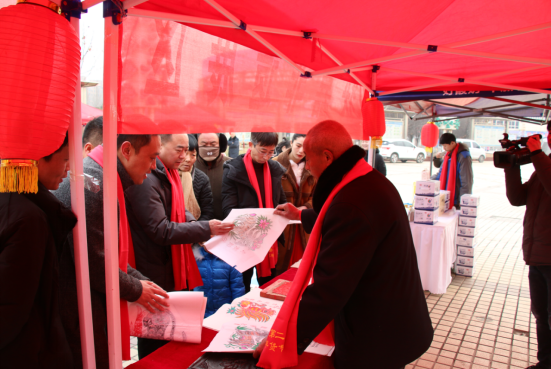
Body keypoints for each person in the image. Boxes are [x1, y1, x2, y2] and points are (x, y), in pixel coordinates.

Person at [254, 120, 433, 369]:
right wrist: (301, 214)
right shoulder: (366, 180)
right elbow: (341, 219)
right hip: (394, 318)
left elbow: (330, 287)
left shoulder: (352, 203)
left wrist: (282, 340)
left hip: (378, 335)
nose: (307, 167)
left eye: (309, 159)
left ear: (327, 157)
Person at [54, 134, 170, 369]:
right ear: (126, 150)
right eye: (151, 157)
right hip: (78, 310)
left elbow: (109, 254)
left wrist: (141, 282)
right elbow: (93, 263)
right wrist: (137, 288)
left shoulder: (99, 176)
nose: (154, 166)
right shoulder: (94, 185)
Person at [124, 134, 234, 359]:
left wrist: (194, 224)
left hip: (169, 264)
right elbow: (159, 229)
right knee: (156, 336)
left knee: (172, 336)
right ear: (160, 145)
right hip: (154, 268)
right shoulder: (145, 177)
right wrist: (204, 228)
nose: (184, 156)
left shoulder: (169, 174)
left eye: (187, 150)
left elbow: (176, 209)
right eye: (179, 150)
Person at [0, 133, 76, 368]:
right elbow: (13, 305)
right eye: (65, 160)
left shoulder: (16, 204)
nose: (67, 170)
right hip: (24, 351)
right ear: (38, 160)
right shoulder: (29, 218)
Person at [504, 124, 551, 369]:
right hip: (537, 257)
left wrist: (537, 155)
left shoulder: (543, 162)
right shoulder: (543, 165)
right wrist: (510, 165)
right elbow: (518, 198)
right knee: (541, 316)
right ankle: (545, 363)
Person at [222, 132, 286, 292]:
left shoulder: (274, 169)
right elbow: (228, 208)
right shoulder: (234, 169)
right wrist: (256, 222)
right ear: (251, 145)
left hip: (269, 237)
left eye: (271, 152)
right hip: (243, 238)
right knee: (242, 285)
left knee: (269, 285)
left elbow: (281, 200)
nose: (267, 156)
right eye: (263, 151)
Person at [272, 133, 316, 274]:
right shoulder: (275, 163)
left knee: (303, 267)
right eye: (298, 145)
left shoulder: (314, 166)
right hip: (281, 224)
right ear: (291, 142)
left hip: (304, 223)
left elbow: (319, 195)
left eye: (305, 147)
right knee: (280, 267)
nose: (301, 151)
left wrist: (306, 207)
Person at [192, 245, 246, 318]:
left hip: (225, 312)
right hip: (201, 312)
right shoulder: (193, 259)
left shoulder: (230, 260)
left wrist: (236, 309)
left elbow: (237, 288)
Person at [195, 133, 231, 220]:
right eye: (204, 145)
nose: (208, 147)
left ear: (221, 145)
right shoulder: (189, 166)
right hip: (197, 225)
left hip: (226, 223)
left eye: (213, 144)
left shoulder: (231, 165)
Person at [432, 133, 473, 209]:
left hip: (456, 197)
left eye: (445, 146)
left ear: (452, 143)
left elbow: (466, 179)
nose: (444, 148)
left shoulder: (464, 156)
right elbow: (441, 173)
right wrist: (429, 181)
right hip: (445, 195)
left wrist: (464, 199)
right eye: (442, 146)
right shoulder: (448, 154)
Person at [179, 134, 214, 221]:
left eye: (193, 155)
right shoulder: (166, 175)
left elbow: (207, 211)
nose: (188, 159)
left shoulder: (202, 178)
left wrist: (195, 228)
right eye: (185, 153)